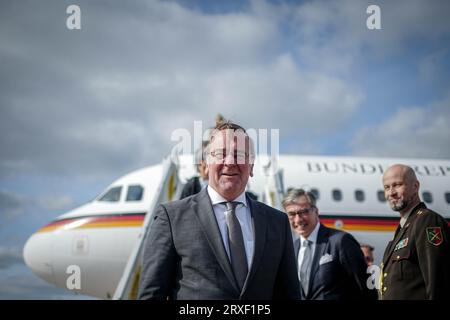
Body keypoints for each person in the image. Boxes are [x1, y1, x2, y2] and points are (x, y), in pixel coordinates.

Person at [138, 121, 300, 300]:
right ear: (206, 165)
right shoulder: (171, 218)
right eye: (221, 154)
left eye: (239, 155)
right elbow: (152, 295)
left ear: (251, 166)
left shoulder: (277, 222)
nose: (230, 162)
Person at [282, 188, 377, 300]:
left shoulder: (340, 241)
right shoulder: (292, 248)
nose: (298, 220)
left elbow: (366, 289)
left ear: (316, 211)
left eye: (303, 212)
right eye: (292, 214)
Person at [380, 164, 450, 300]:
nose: (391, 193)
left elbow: (438, 282)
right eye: (387, 187)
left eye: (397, 185)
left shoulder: (427, 221)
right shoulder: (403, 230)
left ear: (415, 186)